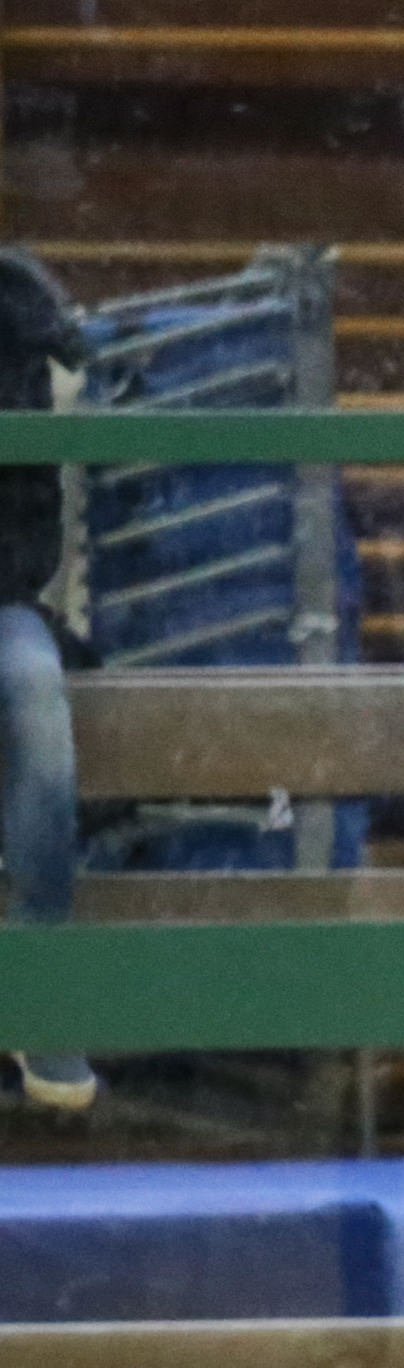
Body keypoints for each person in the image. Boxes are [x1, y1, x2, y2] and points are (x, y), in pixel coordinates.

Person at [1, 247, 87, 1111]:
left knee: (36, 694)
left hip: (0, 600)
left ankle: (37, 985)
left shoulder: (13, 304)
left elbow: (34, 507)